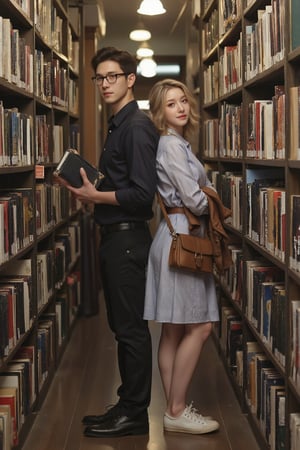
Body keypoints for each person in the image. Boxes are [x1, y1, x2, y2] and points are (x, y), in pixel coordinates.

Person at [57, 47, 159, 438]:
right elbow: (122, 183)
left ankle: (134, 414)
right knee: (122, 326)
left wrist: (93, 196)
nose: (104, 84)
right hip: (116, 239)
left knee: (131, 329)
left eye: (112, 76)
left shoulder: (135, 127)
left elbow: (141, 195)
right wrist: (89, 185)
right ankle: (127, 403)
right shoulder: (118, 124)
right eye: (99, 78)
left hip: (128, 240)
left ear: (130, 79)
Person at [143, 79, 220, 435]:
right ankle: (176, 410)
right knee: (201, 326)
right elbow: (194, 199)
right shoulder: (172, 146)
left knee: (173, 330)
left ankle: (174, 409)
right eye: (171, 103)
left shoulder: (176, 144)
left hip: (173, 234)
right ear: (160, 112)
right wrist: (216, 201)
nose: (180, 107)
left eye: (183, 100)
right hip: (183, 237)